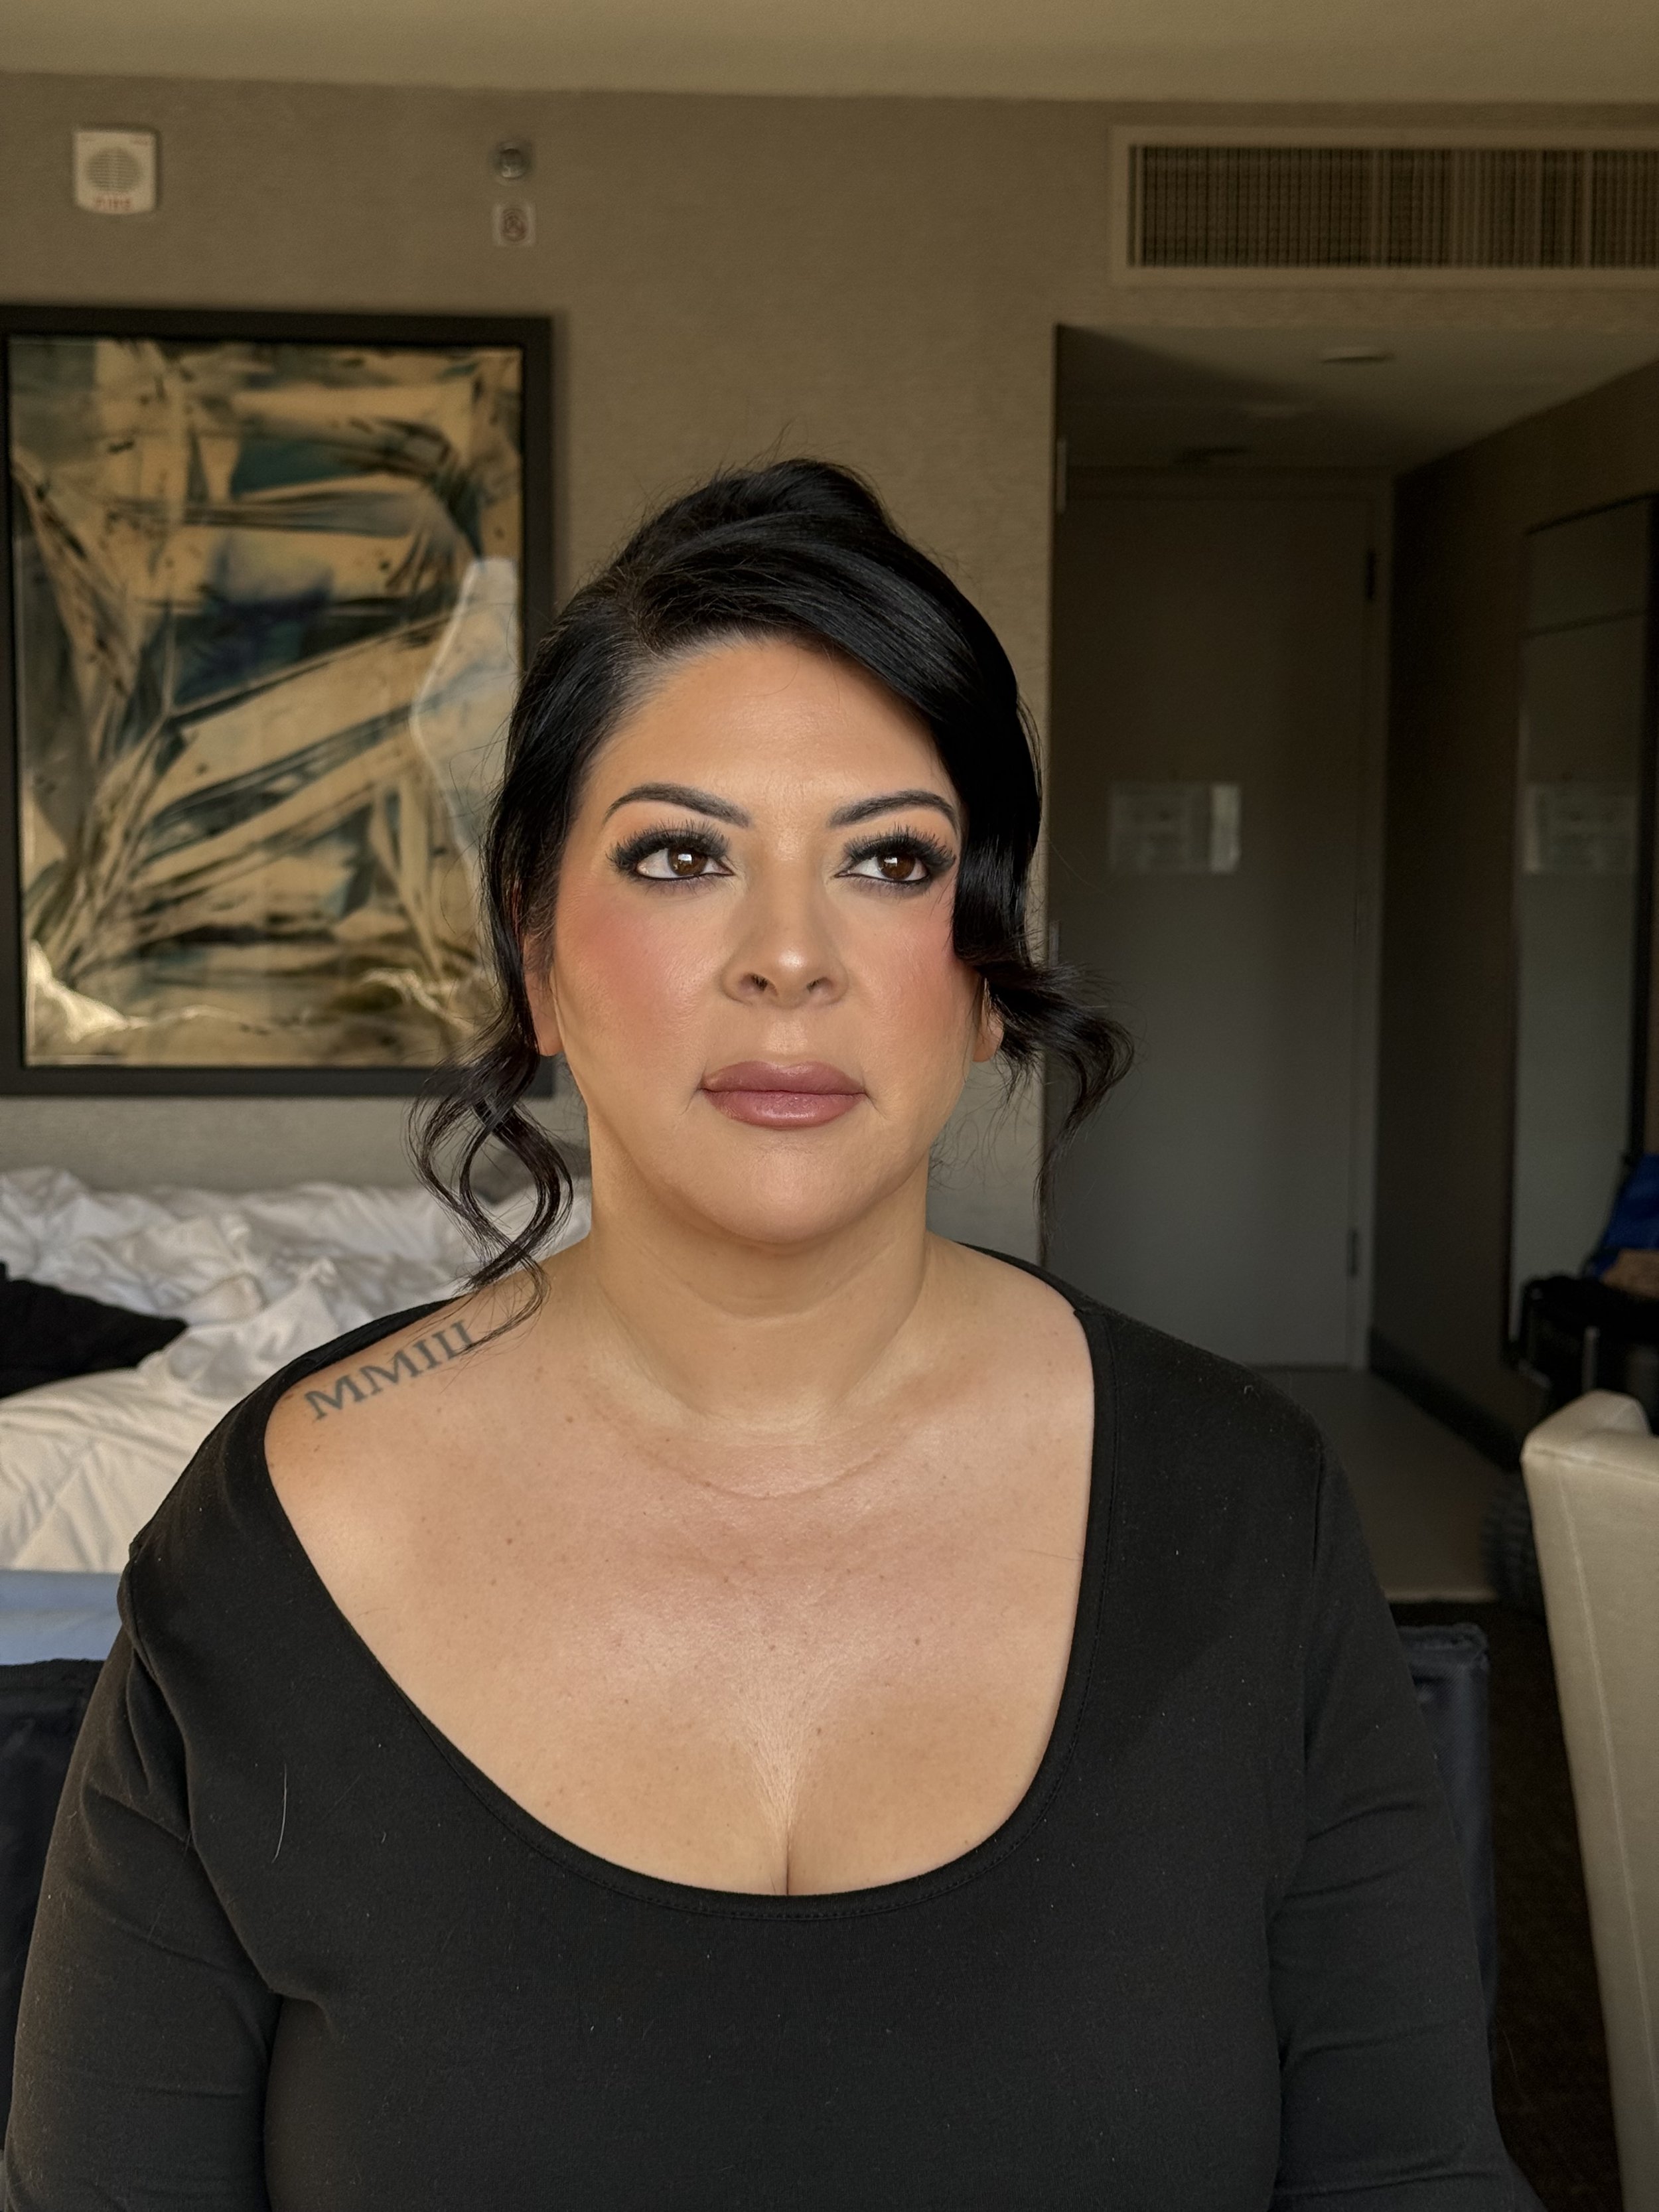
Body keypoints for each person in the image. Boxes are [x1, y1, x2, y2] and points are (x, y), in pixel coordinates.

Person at [6, 461, 1516, 2208]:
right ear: (538, 953)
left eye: (886, 861)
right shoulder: (275, 1533)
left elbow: (1414, 2177)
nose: (787, 954)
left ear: (976, 965)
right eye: (678, 856)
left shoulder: (1240, 1503)